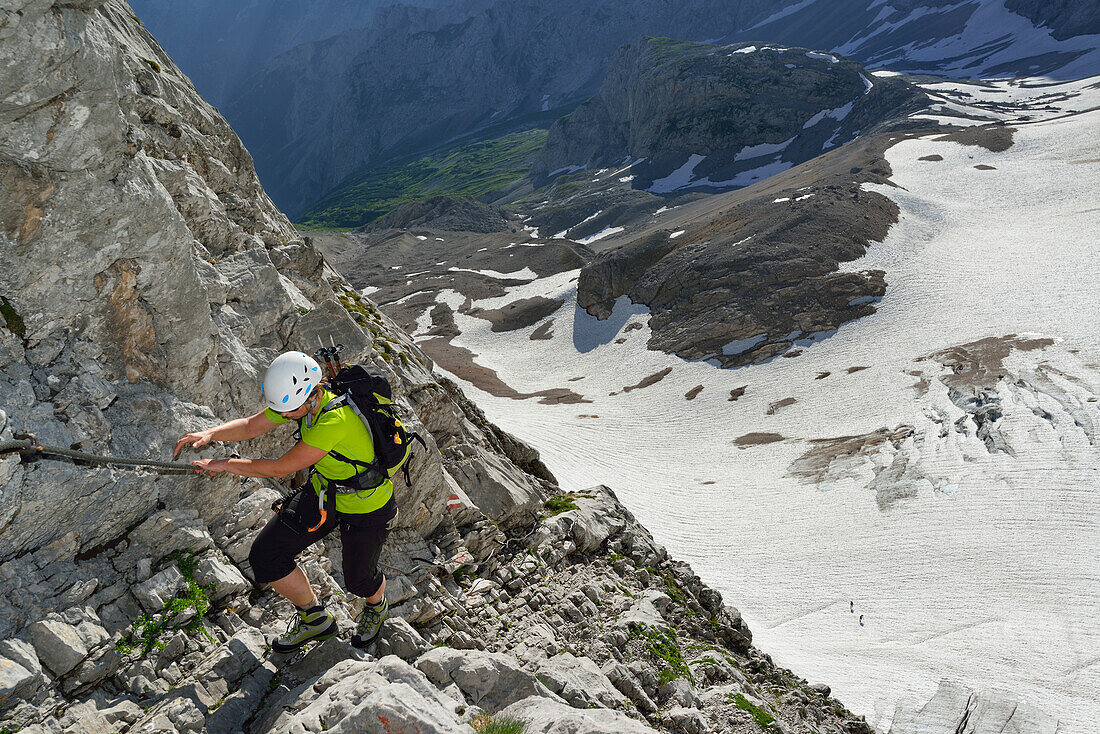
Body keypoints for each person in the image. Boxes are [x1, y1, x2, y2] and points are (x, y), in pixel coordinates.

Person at [174, 351, 397, 653]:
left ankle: (376, 606)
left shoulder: (335, 420)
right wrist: (210, 432)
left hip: (367, 505)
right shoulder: (303, 402)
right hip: (324, 493)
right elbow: (253, 426)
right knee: (266, 557)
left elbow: (280, 468)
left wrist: (225, 463)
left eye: (290, 410)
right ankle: (314, 619)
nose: (286, 415)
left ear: (309, 396)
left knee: (359, 581)